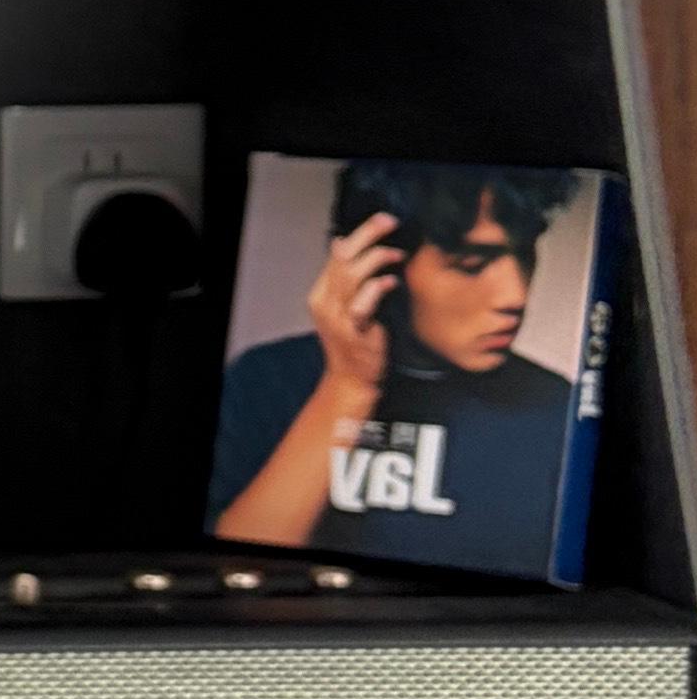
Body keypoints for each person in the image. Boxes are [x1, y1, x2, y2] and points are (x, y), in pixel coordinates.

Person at [207, 155, 588, 571]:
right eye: (471, 263)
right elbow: (236, 573)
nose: (515, 295)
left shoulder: (559, 411)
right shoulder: (265, 379)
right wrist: (348, 386)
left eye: (525, 254)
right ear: (374, 263)